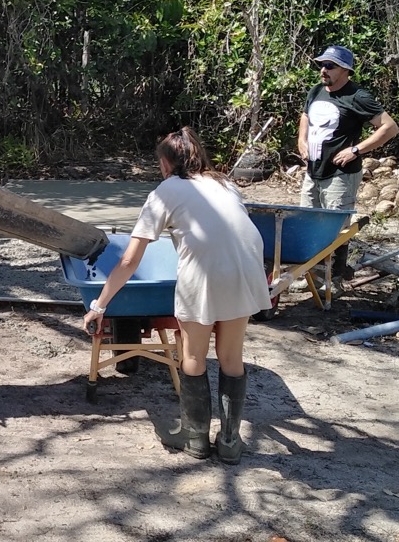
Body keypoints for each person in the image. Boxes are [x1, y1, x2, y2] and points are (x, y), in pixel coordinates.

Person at [81, 127, 273, 464]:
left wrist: (99, 305)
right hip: (247, 268)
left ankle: (195, 437)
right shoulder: (224, 182)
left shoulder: (166, 191)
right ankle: (229, 441)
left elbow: (129, 259)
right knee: (231, 358)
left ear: (167, 163)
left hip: (206, 274)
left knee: (194, 357)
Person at [298, 45, 399, 278]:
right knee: (307, 223)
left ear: (345, 70)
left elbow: (390, 127)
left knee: (336, 229)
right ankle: (312, 275)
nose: (323, 70)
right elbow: (305, 116)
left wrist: (356, 149)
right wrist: (301, 141)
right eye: (321, 65)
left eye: (330, 66)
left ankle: (334, 278)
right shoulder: (316, 91)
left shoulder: (358, 96)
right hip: (313, 171)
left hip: (340, 174)